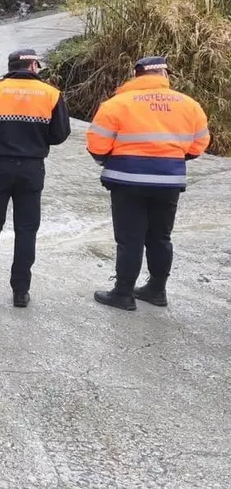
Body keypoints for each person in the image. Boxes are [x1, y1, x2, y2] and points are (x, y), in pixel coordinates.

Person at [86, 56, 210, 311]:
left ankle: (123, 294)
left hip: (127, 180)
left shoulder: (116, 104)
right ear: (165, 75)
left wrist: (110, 160)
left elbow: (96, 145)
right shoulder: (190, 105)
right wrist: (173, 159)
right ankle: (157, 290)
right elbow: (199, 144)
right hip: (169, 180)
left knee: (129, 239)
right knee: (160, 237)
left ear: (136, 75)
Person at [0, 49, 71, 309]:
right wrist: (35, 137)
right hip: (32, 168)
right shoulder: (51, 93)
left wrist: (1, 134)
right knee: (26, 230)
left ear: (11, 66)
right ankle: (21, 291)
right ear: (32, 66)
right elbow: (61, 134)